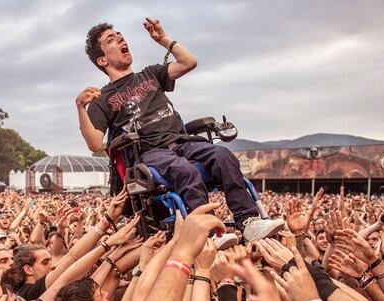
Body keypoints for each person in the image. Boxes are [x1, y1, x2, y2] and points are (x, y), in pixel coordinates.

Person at [76, 18, 284, 242]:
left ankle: (248, 221)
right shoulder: (103, 98)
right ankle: (210, 232)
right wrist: (80, 107)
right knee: (184, 170)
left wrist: (163, 39)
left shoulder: (150, 74)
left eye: (119, 35)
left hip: (181, 140)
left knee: (223, 155)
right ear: (102, 59)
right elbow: (95, 143)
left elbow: (189, 62)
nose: (120, 38)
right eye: (111, 39)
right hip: (150, 152)